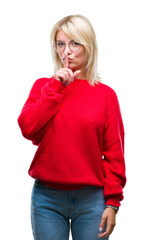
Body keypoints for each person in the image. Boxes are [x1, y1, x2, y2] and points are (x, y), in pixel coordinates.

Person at [17, 14, 126, 240]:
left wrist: (113, 203)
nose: (67, 51)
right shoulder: (44, 87)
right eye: (61, 44)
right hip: (46, 198)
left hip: (92, 199)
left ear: (88, 46)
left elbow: (115, 154)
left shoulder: (106, 95)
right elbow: (29, 129)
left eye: (75, 43)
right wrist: (55, 87)